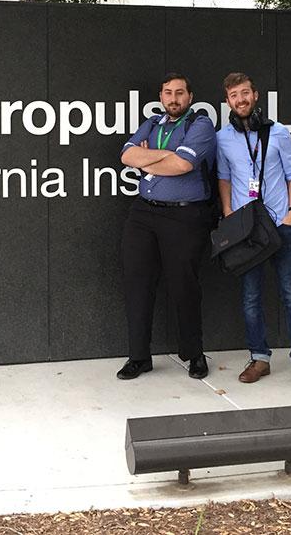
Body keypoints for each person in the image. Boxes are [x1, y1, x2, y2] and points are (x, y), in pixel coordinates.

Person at [216, 72, 291, 390]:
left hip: (279, 225)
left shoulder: (279, 133)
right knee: (250, 297)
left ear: (256, 95)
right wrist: (228, 212)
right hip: (247, 230)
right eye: (234, 95)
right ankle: (259, 358)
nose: (240, 99)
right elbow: (223, 177)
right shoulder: (223, 138)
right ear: (228, 102)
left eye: (245, 93)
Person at [116, 73, 217, 380]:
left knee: (183, 285)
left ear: (190, 96)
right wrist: (162, 156)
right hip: (143, 214)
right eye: (168, 93)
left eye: (180, 93)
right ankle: (139, 357)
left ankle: (194, 354)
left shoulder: (200, 124)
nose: (174, 98)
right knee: (137, 283)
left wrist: (145, 160)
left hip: (184, 217)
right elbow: (126, 155)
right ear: (161, 96)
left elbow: (183, 165)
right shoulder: (152, 123)